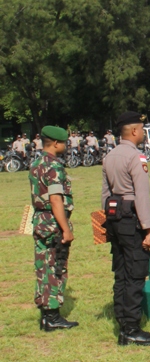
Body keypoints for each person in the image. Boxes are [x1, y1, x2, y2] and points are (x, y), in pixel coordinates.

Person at [101, 111, 150, 345]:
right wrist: (148, 228)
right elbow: (142, 195)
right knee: (136, 272)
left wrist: (106, 223)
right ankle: (132, 327)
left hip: (114, 216)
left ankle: (123, 323)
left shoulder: (110, 156)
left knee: (121, 272)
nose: (143, 133)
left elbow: (105, 194)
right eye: (142, 129)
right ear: (134, 131)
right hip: (131, 217)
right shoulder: (136, 157)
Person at [30, 125, 78, 332]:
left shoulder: (36, 163)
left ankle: (45, 315)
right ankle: (53, 317)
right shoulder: (53, 167)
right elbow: (56, 200)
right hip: (53, 224)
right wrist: (65, 229)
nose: (65, 146)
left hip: (40, 221)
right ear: (56, 143)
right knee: (56, 267)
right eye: (64, 143)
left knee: (43, 267)